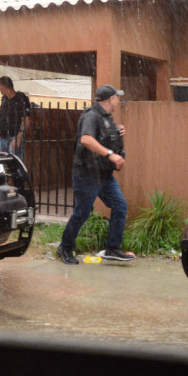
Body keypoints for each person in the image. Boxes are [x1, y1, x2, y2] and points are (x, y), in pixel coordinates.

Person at [57, 84, 135, 264]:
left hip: (104, 175)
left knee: (120, 206)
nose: (118, 101)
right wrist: (111, 154)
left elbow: (102, 137)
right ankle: (65, 247)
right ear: (110, 99)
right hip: (87, 174)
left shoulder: (106, 118)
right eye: (117, 97)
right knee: (82, 213)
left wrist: (117, 132)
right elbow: (86, 139)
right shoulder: (91, 116)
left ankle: (113, 249)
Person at [0, 76, 31, 161]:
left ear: (4, 87)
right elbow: (0, 116)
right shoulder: (4, 99)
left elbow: (26, 120)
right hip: (2, 138)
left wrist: (18, 138)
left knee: (15, 164)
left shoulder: (21, 98)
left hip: (14, 138)